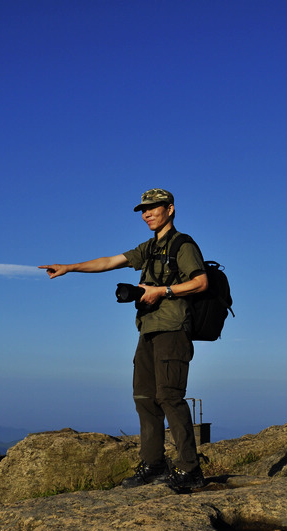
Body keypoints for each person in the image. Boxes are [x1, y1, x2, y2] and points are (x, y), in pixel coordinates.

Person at [38, 188, 208, 489]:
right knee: (144, 397)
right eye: (144, 210)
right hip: (147, 331)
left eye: (154, 208)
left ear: (170, 209)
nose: (147, 214)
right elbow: (109, 262)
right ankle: (154, 463)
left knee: (170, 397)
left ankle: (190, 469)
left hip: (173, 329)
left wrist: (162, 291)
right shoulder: (149, 248)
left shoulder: (183, 244)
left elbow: (200, 281)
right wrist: (69, 268)